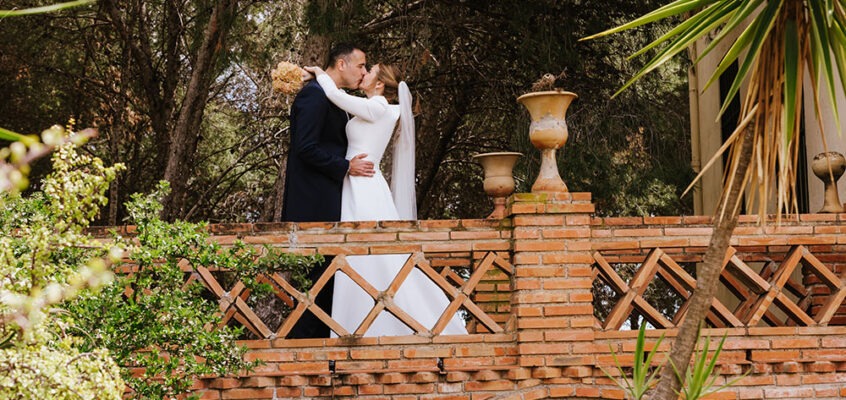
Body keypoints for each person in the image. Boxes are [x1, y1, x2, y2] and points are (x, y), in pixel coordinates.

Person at [303, 63, 467, 337]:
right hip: (357, 182)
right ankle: (359, 322)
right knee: (359, 255)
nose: (363, 74)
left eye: (369, 72)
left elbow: (337, 97)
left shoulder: (379, 107)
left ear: (379, 84)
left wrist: (321, 73)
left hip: (364, 187)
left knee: (366, 253)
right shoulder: (377, 107)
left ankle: (382, 324)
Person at [281, 43, 374, 339]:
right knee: (312, 293)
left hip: (332, 207)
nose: (364, 72)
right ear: (342, 64)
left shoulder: (334, 97)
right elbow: (305, 147)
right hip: (312, 208)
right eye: (360, 65)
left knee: (328, 291)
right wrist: (346, 166)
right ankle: (303, 361)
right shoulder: (314, 95)